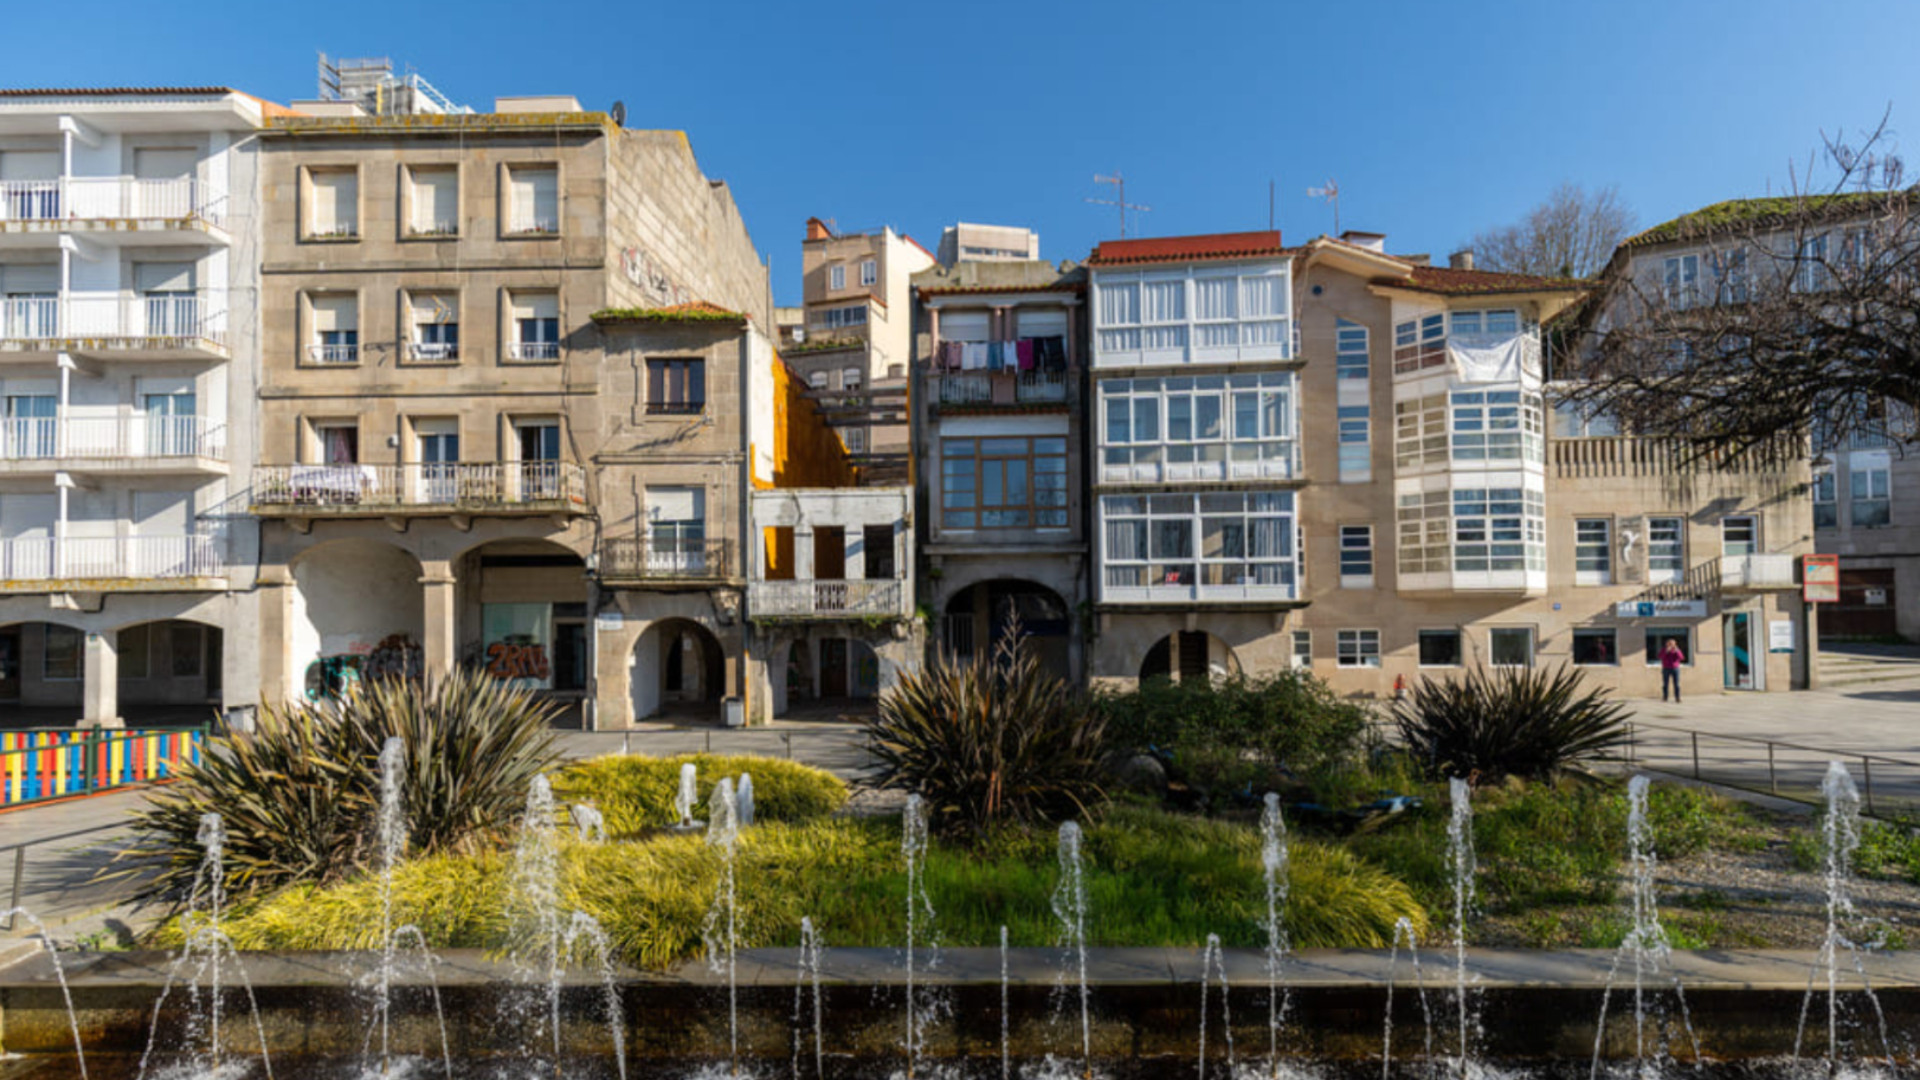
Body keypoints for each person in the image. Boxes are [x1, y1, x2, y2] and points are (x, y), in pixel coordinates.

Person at [1660, 637, 1685, 703]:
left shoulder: (1677, 650)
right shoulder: (1664, 649)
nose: (1671, 645)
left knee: (1676, 684)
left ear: (1675, 644)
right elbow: (1660, 657)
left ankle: (1677, 698)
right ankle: (1665, 697)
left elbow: (1681, 658)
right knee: (1665, 684)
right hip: (1666, 668)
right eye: (1669, 643)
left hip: (1675, 669)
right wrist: (1666, 651)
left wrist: (1677, 651)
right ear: (1666, 644)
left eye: (1672, 643)